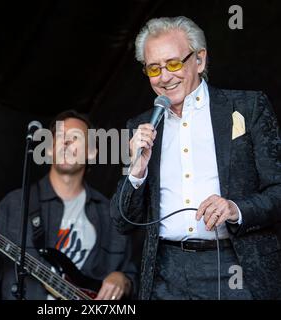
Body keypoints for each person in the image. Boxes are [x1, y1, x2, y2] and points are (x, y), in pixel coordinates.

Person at [111, 16, 281, 300]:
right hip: (167, 273)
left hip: (236, 264)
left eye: (174, 64)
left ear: (199, 60)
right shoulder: (141, 126)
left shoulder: (247, 107)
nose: (165, 77)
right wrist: (137, 170)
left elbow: (278, 189)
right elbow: (122, 221)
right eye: (154, 68)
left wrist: (235, 208)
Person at [0, 110, 137, 300]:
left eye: (75, 137)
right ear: (50, 148)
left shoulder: (109, 213)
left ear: (92, 152)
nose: (66, 142)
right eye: (60, 137)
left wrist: (123, 280)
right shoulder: (15, 204)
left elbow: (133, 277)